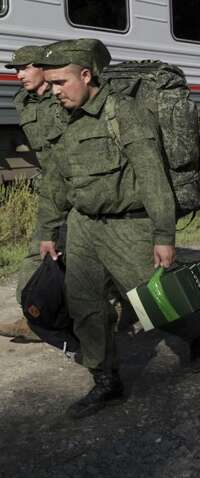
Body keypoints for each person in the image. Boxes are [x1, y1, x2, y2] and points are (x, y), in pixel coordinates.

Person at [36, 39, 200, 419]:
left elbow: (152, 178)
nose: (54, 91)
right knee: (85, 308)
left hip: (128, 226)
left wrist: (164, 235)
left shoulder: (124, 113)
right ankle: (106, 382)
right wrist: (47, 230)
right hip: (82, 227)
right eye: (50, 84)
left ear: (86, 76)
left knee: (157, 303)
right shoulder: (62, 118)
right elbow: (54, 180)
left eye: (61, 82)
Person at [0, 45, 68, 343]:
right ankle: (33, 315)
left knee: (96, 253)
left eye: (25, 67)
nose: (19, 75)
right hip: (54, 187)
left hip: (80, 186)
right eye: (16, 69)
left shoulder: (65, 96)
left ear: (44, 67)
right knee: (38, 250)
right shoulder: (23, 102)